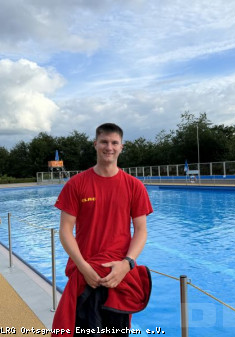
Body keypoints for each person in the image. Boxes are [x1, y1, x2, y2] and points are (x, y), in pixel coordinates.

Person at [52, 123, 153, 336]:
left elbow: (141, 231)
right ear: (95, 144)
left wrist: (127, 264)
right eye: (104, 142)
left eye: (114, 142)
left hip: (119, 277)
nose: (109, 147)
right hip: (85, 275)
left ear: (121, 147)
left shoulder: (134, 186)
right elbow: (65, 231)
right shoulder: (77, 184)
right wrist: (83, 267)